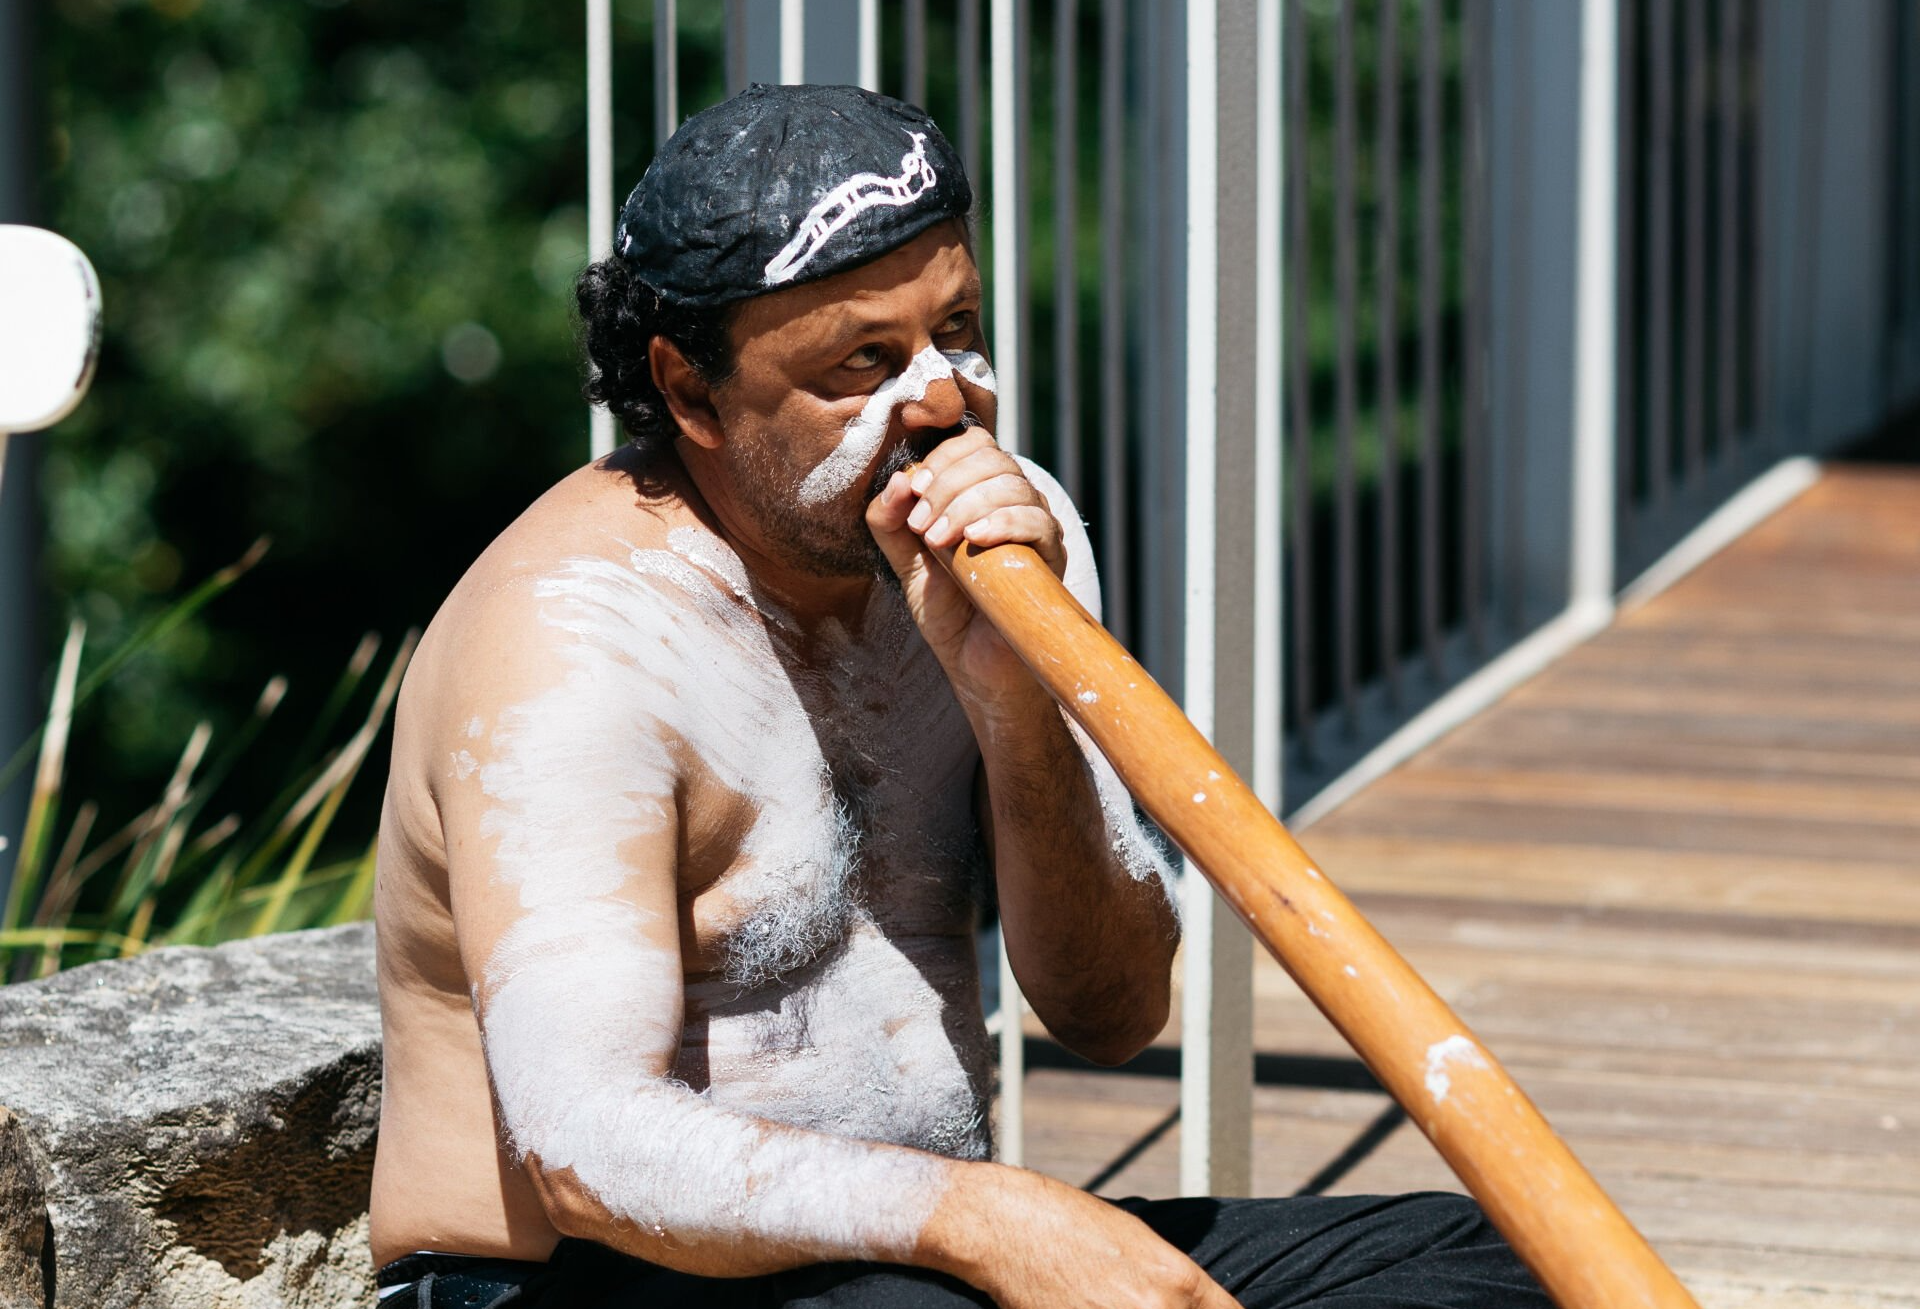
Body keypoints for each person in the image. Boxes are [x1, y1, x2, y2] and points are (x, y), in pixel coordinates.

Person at [369, 83, 1550, 1308]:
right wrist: (990, 1214)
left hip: (916, 1264)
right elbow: (586, 1152)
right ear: (688, 391)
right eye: (862, 361)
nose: (939, 398)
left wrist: (1013, 704)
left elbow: (1112, 1012)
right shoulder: (572, 644)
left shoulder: (1003, 537)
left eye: (958, 327)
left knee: (1492, 1262)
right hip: (582, 1283)